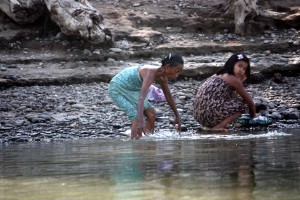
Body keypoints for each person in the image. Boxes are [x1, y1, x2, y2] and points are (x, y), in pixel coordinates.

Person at [108, 53, 184, 139]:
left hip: (133, 89)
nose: (177, 75)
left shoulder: (162, 77)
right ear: (168, 66)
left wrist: (177, 116)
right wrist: (140, 122)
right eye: (177, 71)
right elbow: (141, 97)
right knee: (136, 117)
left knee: (151, 113)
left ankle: (147, 143)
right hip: (117, 87)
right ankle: (136, 145)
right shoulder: (150, 73)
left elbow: (168, 96)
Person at [193, 53, 258, 131]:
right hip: (209, 115)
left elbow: (232, 96)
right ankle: (219, 126)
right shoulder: (232, 79)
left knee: (234, 99)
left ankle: (216, 124)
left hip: (198, 116)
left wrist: (240, 81)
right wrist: (253, 115)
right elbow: (250, 103)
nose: (242, 70)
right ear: (232, 64)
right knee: (243, 105)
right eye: (239, 66)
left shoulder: (219, 74)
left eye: (244, 69)